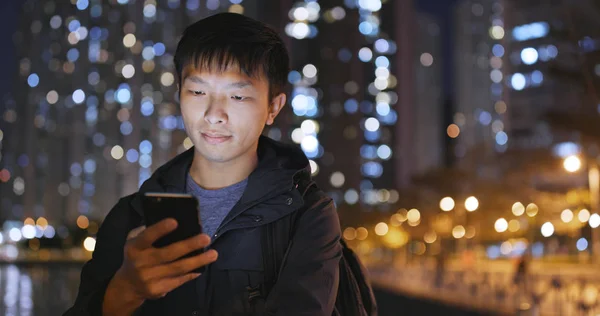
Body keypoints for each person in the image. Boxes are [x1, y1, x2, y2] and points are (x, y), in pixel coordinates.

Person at [64, 12, 342, 316]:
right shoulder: (130, 215)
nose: (213, 114)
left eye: (237, 96)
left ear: (273, 107)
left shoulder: (307, 215)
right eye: (197, 92)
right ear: (179, 94)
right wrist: (123, 292)